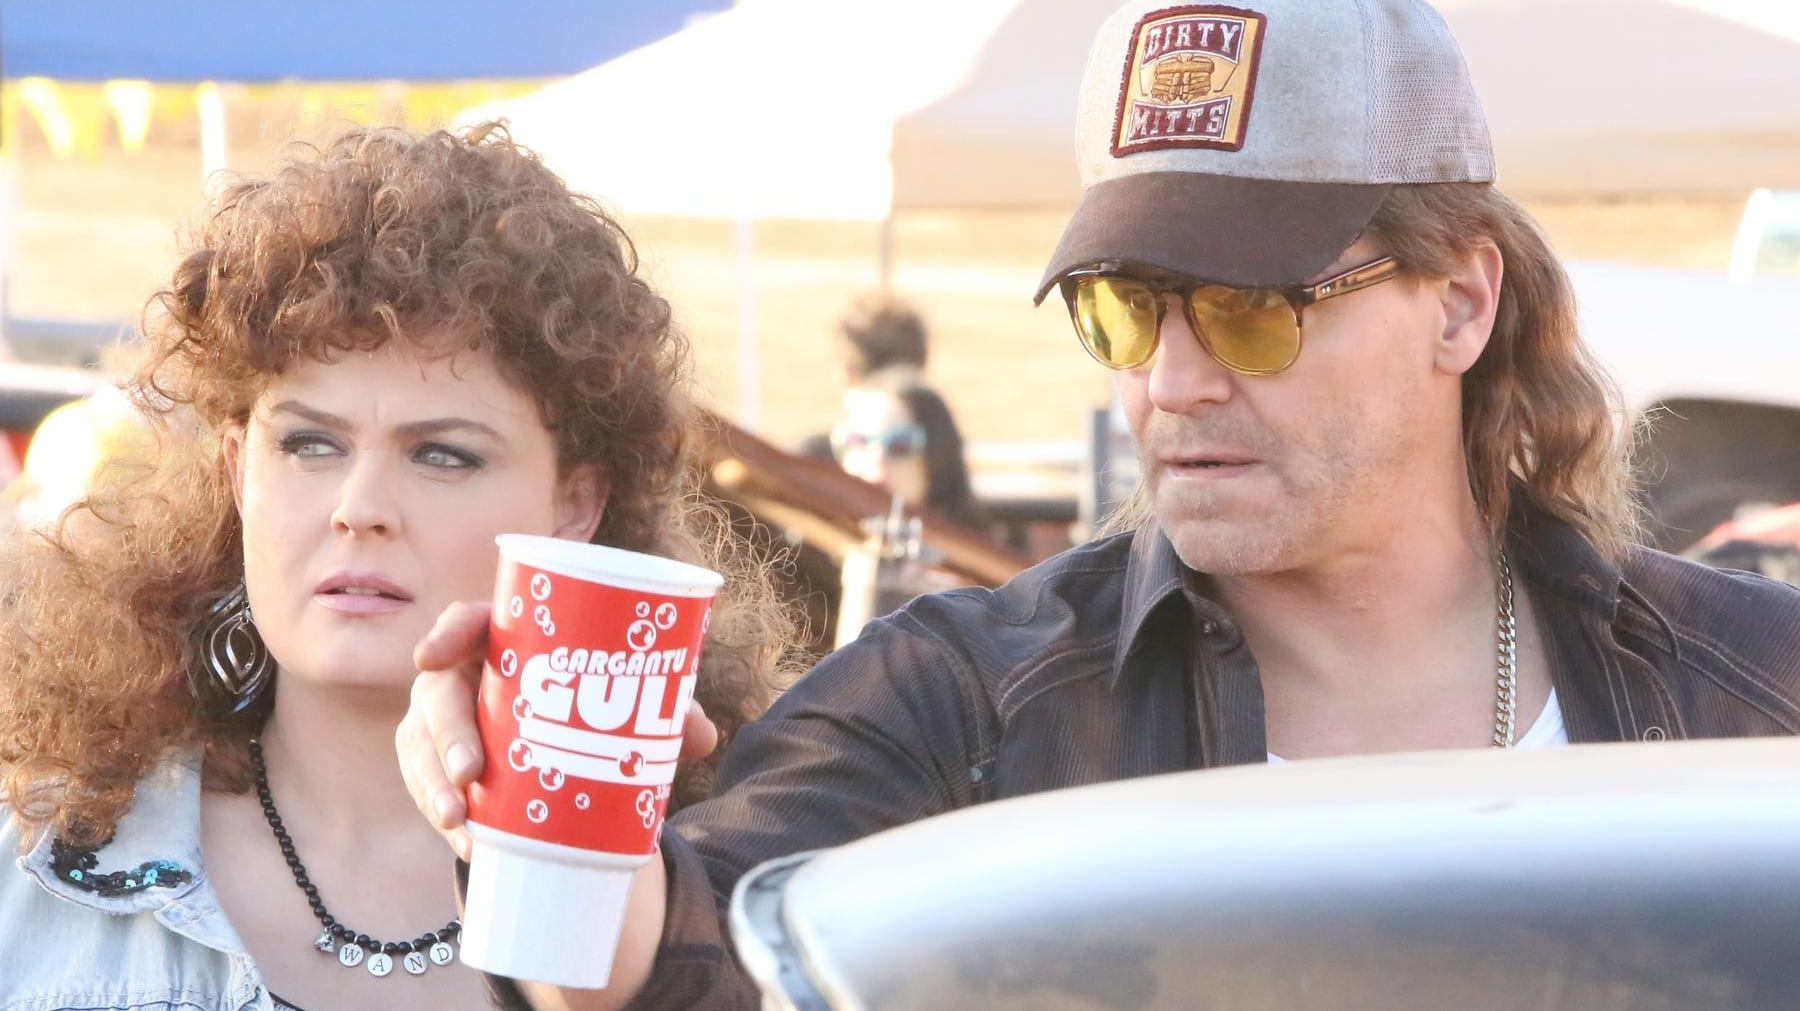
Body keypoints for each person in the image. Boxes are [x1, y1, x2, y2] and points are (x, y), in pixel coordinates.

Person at [398, 1, 1800, 1007]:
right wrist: (538, 815)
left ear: (1461, 303)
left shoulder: (1752, 691)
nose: (1171, 382)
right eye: (1126, 309)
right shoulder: (967, 702)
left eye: (1251, 309)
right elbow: (684, 964)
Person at [0, 123, 793, 1011]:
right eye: (309, 443)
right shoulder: (30, 877)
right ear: (236, 468)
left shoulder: (729, 909)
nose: (360, 505)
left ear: (575, 503)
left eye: (443, 455)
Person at [802, 296, 984, 530]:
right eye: (856, 442)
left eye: (899, 445)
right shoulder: (807, 472)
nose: (876, 467)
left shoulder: (967, 537)